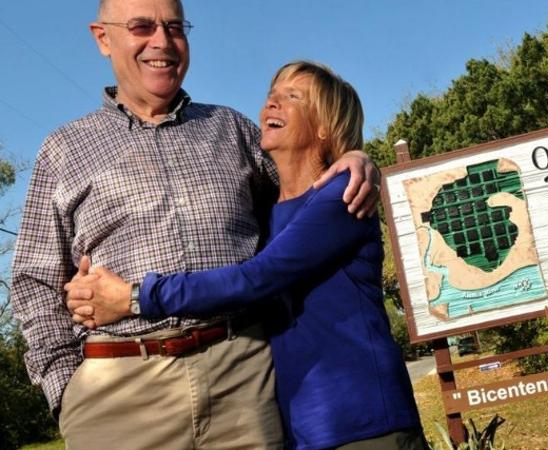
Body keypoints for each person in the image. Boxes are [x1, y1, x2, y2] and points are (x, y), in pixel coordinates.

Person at [10, 0, 380, 448]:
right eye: (142, 27)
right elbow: (35, 280)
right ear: (103, 37)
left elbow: (301, 201)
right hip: (119, 389)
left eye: (174, 27)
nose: (162, 42)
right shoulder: (63, 149)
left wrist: (353, 157)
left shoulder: (234, 130)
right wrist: (65, 389)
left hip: (243, 379)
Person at [67, 61, 426, 450]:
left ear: (325, 127)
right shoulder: (267, 213)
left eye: (293, 96)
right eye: (272, 93)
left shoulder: (341, 196)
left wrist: (136, 297)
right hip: (302, 429)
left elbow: (256, 278)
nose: (273, 101)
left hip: (366, 422)